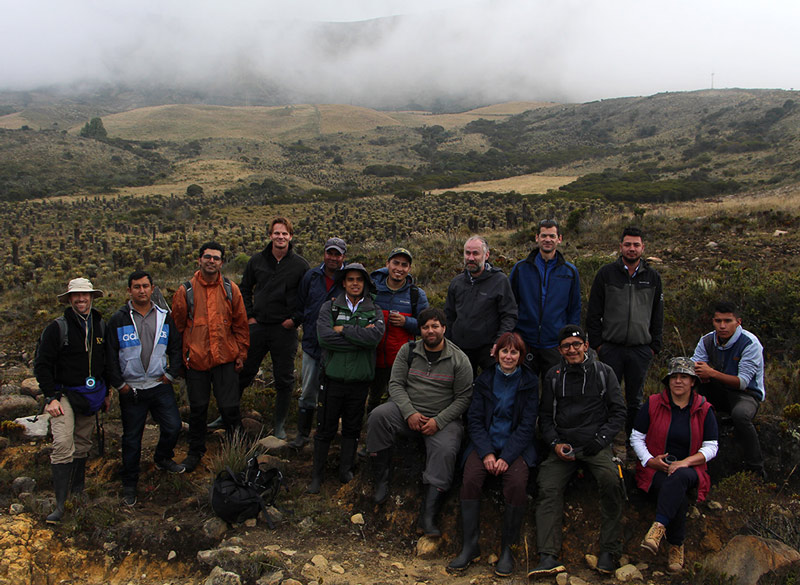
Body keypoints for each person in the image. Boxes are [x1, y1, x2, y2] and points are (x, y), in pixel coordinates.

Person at [366, 307, 473, 536]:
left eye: (435, 326)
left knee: (445, 450)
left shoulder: (459, 359)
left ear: (444, 328)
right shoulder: (409, 351)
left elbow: (464, 397)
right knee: (377, 417)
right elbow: (395, 384)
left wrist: (439, 421)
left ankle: (428, 515)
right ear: (420, 330)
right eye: (425, 327)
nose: (430, 331)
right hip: (407, 411)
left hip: (441, 419)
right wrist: (409, 413)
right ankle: (381, 481)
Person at [529, 325, 625, 577]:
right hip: (564, 446)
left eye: (576, 344)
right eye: (565, 346)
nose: (571, 349)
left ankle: (609, 551)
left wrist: (601, 439)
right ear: (559, 350)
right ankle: (547, 555)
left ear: (586, 345)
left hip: (595, 445)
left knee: (612, 481)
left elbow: (618, 412)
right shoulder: (552, 376)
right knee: (547, 487)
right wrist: (554, 443)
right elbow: (545, 417)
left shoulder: (604, 372)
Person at [448, 332, 538, 577]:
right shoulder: (484, 380)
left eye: (514, 352)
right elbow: (474, 419)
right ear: (496, 353)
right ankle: (470, 546)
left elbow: (527, 425)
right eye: (504, 351)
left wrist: (506, 457)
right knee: (470, 478)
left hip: (515, 447)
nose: (509, 356)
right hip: (485, 444)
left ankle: (508, 549)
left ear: (520, 356)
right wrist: (487, 453)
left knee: (517, 482)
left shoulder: (529, 382)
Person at [632, 357, 718, 574]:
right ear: (668, 381)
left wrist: (685, 462)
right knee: (675, 490)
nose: (678, 381)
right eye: (674, 377)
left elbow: (711, 446)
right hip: (656, 469)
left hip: (691, 469)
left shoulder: (704, 409)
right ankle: (676, 546)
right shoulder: (652, 403)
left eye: (684, 377)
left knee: (679, 477)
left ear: (693, 382)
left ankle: (659, 527)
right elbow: (636, 437)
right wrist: (650, 460)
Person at [34, 277, 110, 524]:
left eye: (85, 295)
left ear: (91, 297)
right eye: (76, 295)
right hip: (64, 395)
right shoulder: (57, 328)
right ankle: (60, 504)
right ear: (69, 298)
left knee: (83, 443)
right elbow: (42, 365)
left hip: (90, 394)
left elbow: (106, 362)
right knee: (63, 443)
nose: (81, 299)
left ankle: (77, 493)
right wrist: (50, 397)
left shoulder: (100, 326)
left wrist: (106, 392)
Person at [106, 271, 185, 506]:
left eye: (145, 286)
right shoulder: (118, 319)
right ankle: (130, 483)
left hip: (158, 384)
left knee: (173, 426)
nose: (141, 290)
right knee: (132, 439)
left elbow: (175, 347)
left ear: (153, 288)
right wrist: (119, 385)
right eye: (136, 287)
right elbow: (109, 355)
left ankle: (162, 458)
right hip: (132, 389)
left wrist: (171, 373)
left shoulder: (164, 316)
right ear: (129, 290)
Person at [172, 242, 250, 473]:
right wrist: (181, 359)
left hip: (225, 358)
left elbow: (241, 324)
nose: (211, 261)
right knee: (198, 409)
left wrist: (241, 353)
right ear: (199, 260)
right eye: (207, 257)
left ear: (222, 262)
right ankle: (195, 452)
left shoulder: (230, 289)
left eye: (216, 258)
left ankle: (240, 449)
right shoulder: (185, 291)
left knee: (230, 408)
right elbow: (178, 327)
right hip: (196, 360)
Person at [307, 263, 385, 493]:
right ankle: (316, 475)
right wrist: (358, 339)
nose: (354, 283)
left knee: (352, 427)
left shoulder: (375, 310)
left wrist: (344, 330)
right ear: (343, 282)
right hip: (333, 379)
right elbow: (325, 338)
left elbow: (374, 338)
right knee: (325, 428)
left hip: (359, 381)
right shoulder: (328, 308)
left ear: (365, 284)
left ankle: (346, 471)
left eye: (359, 280)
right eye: (350, 279)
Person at [586, 226, 663, 433]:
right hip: (611, 348)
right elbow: (593, 311)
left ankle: (632, 441)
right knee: (606, 396)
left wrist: (653, 346)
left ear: (643, 248)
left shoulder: (653, 277)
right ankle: (606, 441)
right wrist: (598, 345)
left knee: (635, 400)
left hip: (640, 349)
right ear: (620, 246)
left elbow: (658, 314)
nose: (632, 249)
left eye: (636, 245)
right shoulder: (606, 274)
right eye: (627, 244)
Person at [238, 217, 309, 439]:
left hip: (284, 330)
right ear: (270, 235)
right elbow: (244, 288)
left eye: (285, 234)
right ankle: (228, 413)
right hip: (258, 326)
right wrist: (249, 316)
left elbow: (307, 296)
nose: (281, 237)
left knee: (284, 378)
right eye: (277, 233)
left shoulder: (300, 265)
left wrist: (295, 320)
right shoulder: (257, 261)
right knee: (244, 372)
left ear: (291, 236)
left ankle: (279, 424)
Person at [691, 301, 765, 477]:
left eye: (727, 321)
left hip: (745, 394)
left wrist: (711, 372)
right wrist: (700, 372)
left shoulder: (750, 343)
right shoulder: (707, 340)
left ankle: (756, 468)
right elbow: (695, 365)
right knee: (691, 402)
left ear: (738, 322)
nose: (722, 326)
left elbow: (742, 382)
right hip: (716, 389)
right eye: (718, 321)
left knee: (740, 416)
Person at [289, 237, 346, 449]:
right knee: (308, 391)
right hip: (312, 345)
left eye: (337, 254)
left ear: (343, 256)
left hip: (337, 348)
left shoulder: (349, 279)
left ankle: (327, 433)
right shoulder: (311, 276)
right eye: (329, 253)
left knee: (333, 392)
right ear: (324, 253)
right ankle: (302, 434)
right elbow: (301, 304)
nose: (333, 258)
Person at [510, 219, 581, 378]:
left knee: (554, 390)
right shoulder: (521, 269)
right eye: (543, 235)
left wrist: (569, 339)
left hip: (554, 344)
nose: (547, 239)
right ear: (537, 238)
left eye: (552, 236)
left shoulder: (570, 272)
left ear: (559, 239)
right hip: (526, 342)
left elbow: (574, 308)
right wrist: (513, 335)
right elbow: (510, 304)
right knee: (526, 391)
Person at [368, 247, 429, 415]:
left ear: (409, 269)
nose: (399, 268)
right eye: (395, 263)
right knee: (373, 397)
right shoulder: (373, 290)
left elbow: (426, 326)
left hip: (402, 359)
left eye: (404, 265)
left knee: (399, 399)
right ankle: (370, 432)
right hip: (373, 356)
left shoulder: (416, 295)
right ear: (387, 264)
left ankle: (396, 436)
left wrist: (406, 322)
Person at [445, 236, 517, 377]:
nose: (471, 258)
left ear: (486, 255)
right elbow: (449, 316)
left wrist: (499, 342)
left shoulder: (499, 281)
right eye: (467, 253)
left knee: (490, 390)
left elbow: (509, 315)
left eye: (475, 253)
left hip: (489, 351)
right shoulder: (457, 283)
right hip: (460, 349)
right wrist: (447, 345)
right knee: (463, 390)